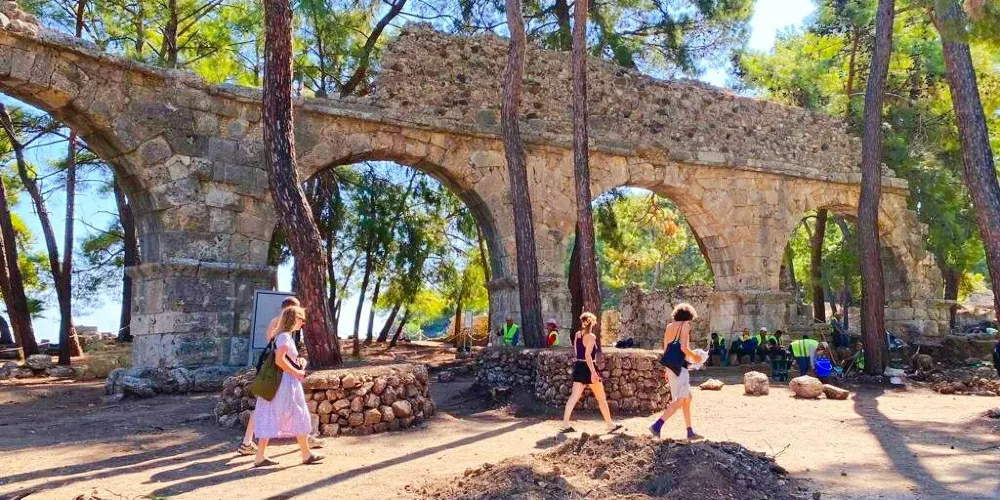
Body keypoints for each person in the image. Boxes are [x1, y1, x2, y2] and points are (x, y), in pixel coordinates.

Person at [238, 297, 324, 456]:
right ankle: (250, 443)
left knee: (270, 408)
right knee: (271, 409)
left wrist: (295, 360)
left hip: (277, 372)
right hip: (278, 374)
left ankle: (251, 444)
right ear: (291, 310)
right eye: (298, 313)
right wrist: (295, 369)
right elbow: (278, 353)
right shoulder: (282, 329)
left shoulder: (281, 328)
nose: (302, 321)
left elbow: (279, 349)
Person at [560, 312, 622, 434]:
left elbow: (577, 352)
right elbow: (588, 356)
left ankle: (565, 424)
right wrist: (593, 372)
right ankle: (610, 425)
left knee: (573, 397)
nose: (596, 323)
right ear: (591, 322)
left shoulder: (577, 335)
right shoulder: (591, 336)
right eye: (594, 321)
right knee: (601, 398)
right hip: (589, 367)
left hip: (579, 366)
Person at [649, 303, 703, 441]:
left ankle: (690, 431)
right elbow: (684, 348)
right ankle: (657, 425)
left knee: (687, 399)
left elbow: (666, 349)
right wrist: (696, 357)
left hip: (671, 366)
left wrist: (667, 369)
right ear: (689, 315)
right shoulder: (685, 326)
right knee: (680, 400)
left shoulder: (669, 326)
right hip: (680, 367)